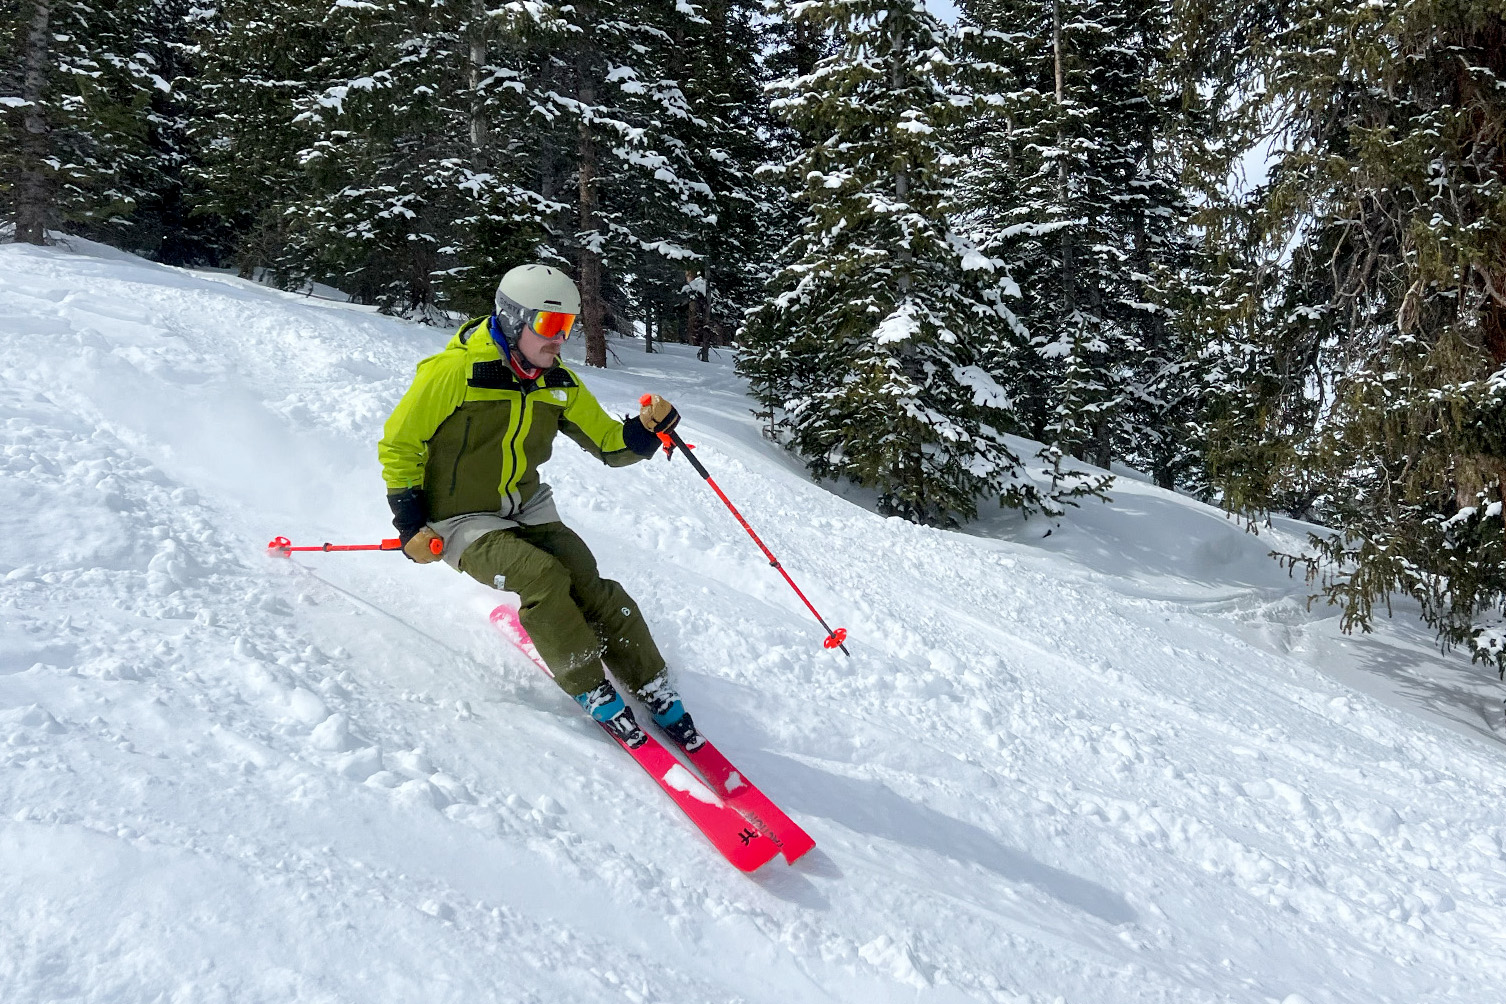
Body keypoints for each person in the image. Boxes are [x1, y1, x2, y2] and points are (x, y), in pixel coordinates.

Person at [378, 264, 698, 750]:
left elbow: (609, 445)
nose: (559, 339)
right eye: (549, 325)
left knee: (586, 579)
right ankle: (589, 684)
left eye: (567, 326)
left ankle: (650, 681)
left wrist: (646, 430)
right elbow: (400, 445)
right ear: (512, 319)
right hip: (459, 518)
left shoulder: (558, 381)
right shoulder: (455, 373)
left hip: (527, 507)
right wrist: (410, 524)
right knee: (542, 576)